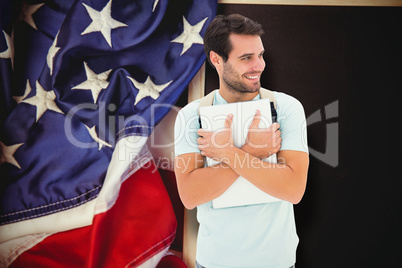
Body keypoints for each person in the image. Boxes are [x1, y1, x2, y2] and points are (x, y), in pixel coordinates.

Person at [174, 14, 309, 268]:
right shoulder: (191, 116)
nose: (258, 65)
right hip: (214, 263)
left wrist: (227, 153)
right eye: (246, 58)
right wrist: (252, 150)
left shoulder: (286, 108)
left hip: (277, 263)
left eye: (260, 55)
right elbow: (190, 196)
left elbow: (293, 190)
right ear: (217, 59)